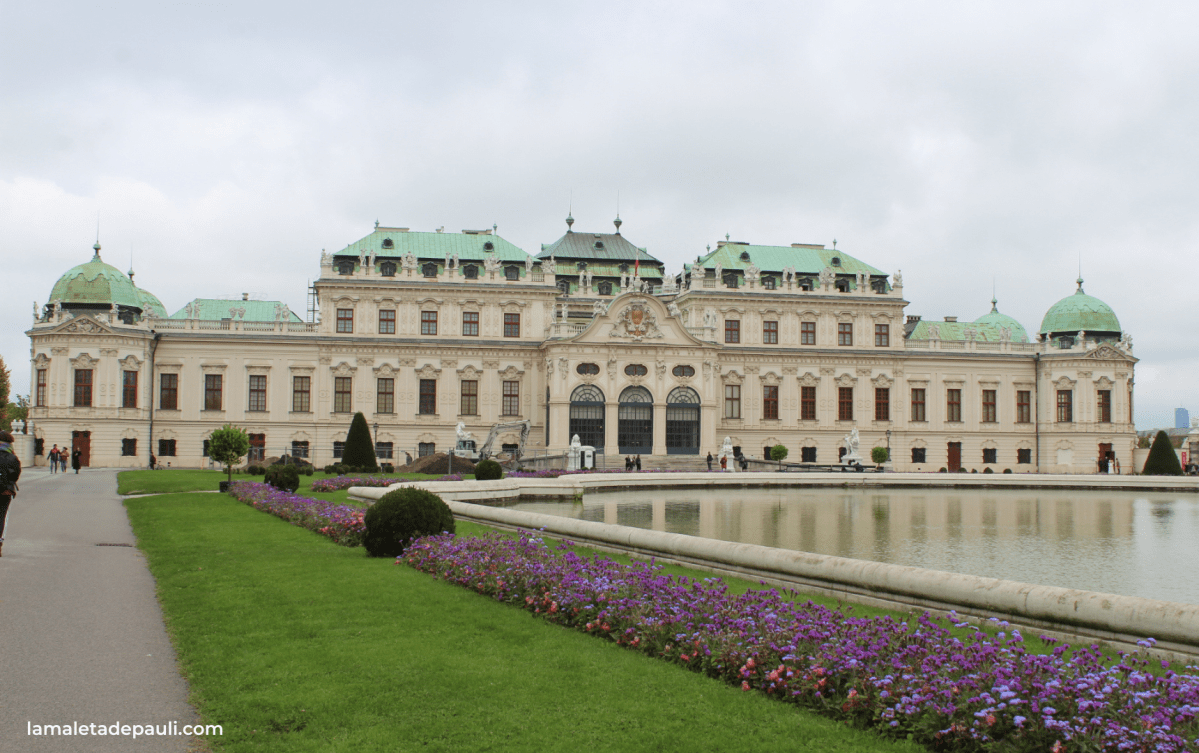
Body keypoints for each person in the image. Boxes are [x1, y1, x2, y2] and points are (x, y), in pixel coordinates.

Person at [0, 431, 22, 557]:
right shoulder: (12, 457)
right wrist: (10, 484)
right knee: (1, 516)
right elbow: (16, 473)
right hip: (5, 491)